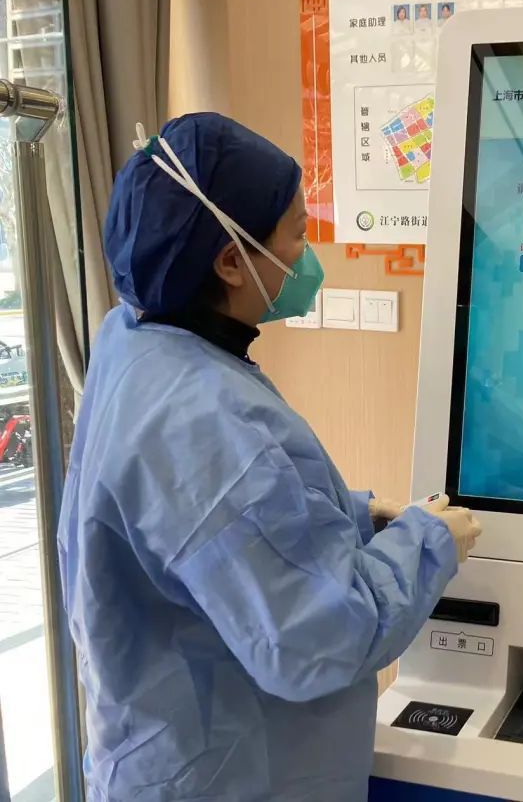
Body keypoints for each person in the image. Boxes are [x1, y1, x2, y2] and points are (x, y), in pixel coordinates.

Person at [57, 113, 482, 801]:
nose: (307, 253)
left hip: (150, 752)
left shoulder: (132, 340)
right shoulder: (208, 418)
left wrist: (355, 516)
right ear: (230, 261)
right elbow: (317, 639)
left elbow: (195, 532)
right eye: (298, 233)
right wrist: (429, 545)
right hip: (229, 775)